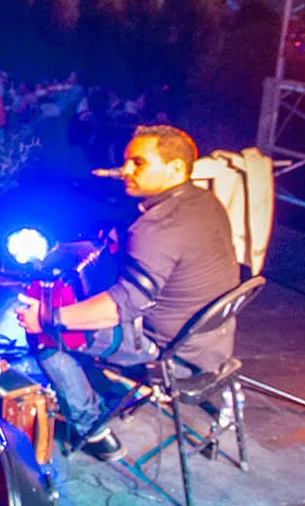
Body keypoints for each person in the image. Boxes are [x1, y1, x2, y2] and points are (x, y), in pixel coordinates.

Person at [17, 125, 243, 460]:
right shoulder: (205, 203)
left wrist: (48, 318)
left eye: (139, 163)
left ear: (175, 169)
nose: (126, 170)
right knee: (72, 314)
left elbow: (119, 307)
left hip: (171, 358)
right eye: (126, 162)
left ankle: (91, 428)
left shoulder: (158, 226)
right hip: (214, 346)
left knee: (47, 336)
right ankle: (103, 392)